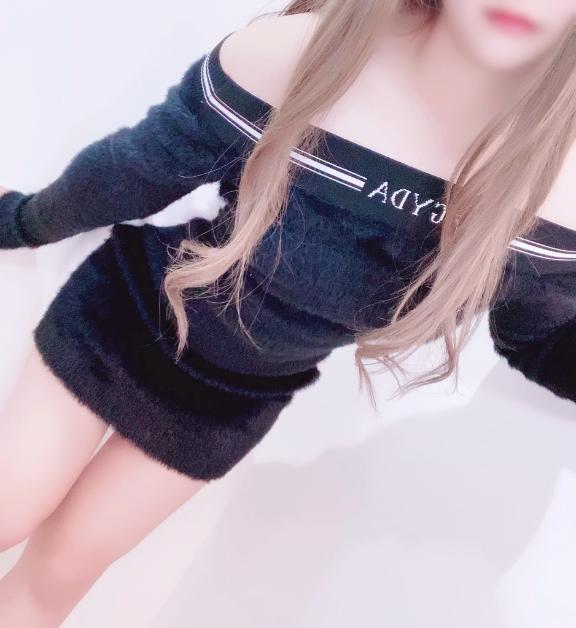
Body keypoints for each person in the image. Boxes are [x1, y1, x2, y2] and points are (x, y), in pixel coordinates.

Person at [1, 0, 575, 623]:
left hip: (232, 398)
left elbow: (535, 332)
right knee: (12, 509)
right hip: (128, 315)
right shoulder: (294, 53)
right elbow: (136, 170)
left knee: (63, 569)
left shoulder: (561, 188)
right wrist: (21, 220)